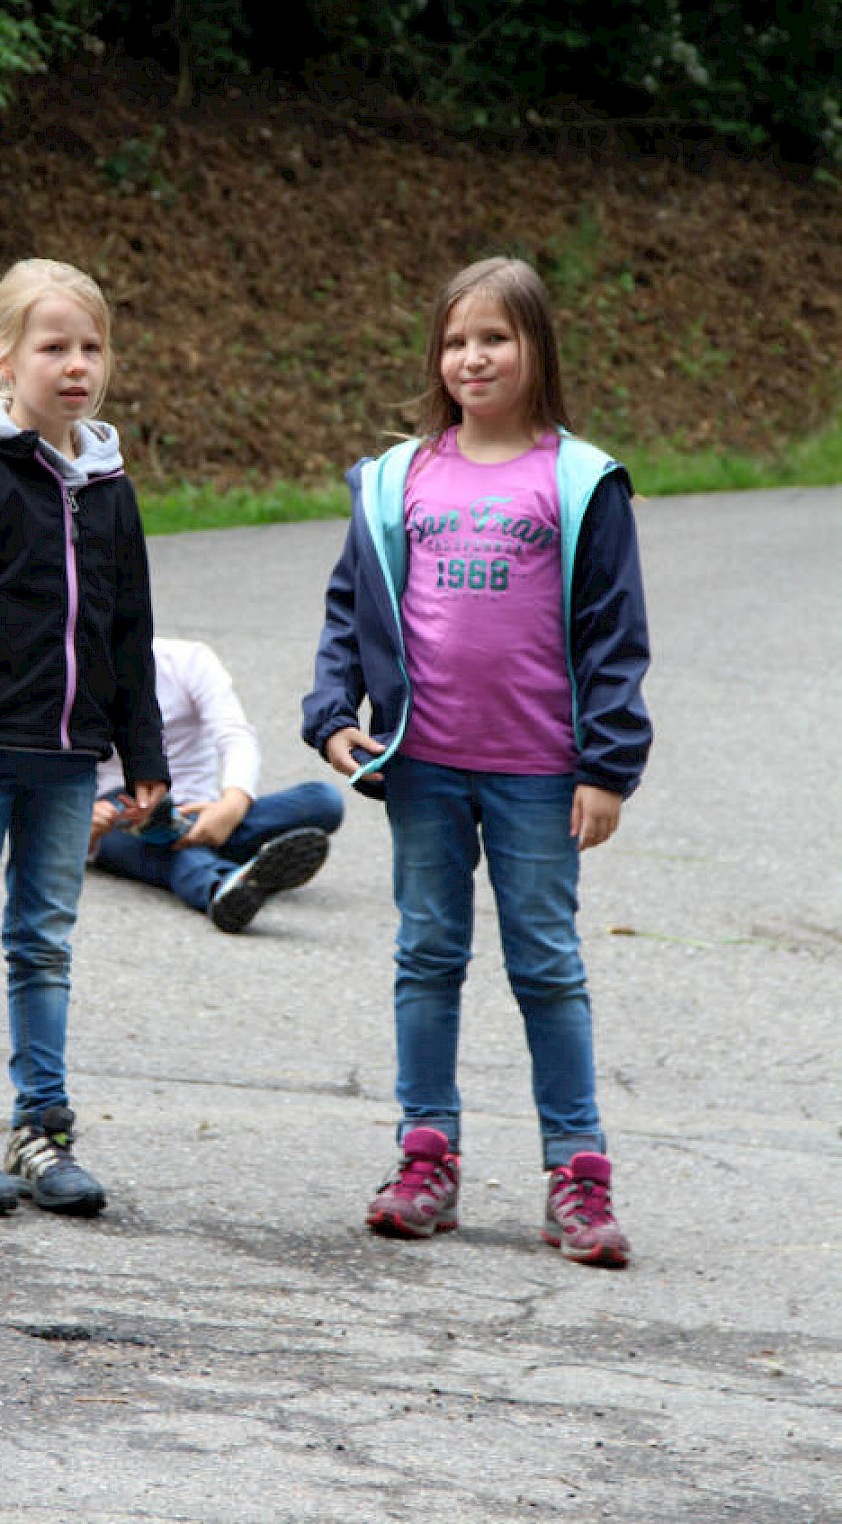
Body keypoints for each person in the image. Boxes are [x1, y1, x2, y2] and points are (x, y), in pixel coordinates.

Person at [302, 256, 651, 1267]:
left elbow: (615, 632)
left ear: (537, 347)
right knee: (427, 954)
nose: (473, 357)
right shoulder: (399, 477)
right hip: (423, 765)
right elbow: (350, 608)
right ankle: (427, 1156)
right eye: (456, 340)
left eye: (495, 337)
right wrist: (333, 713)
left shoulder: (579, 481)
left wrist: (607, 765)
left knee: (546, 962)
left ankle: (578, 1172)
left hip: (543, 771)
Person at [0, 258, 168, 1219]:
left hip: (67, 760)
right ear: (5, 360)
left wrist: (143, 754)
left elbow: (130, 629)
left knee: (44, 943)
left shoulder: (110, 488)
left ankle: (41, 1129)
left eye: (92, 346)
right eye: (54, 346)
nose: (77, 364)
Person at [90, 637, 344, 932]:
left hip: (202, 810)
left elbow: (235, 735)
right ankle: (221, 885)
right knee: (170, 844)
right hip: (120, 813)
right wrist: (82, 819)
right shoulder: (70, 680)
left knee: (324, 800)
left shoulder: (186, 661)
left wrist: (231, 806)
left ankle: (223, 860)